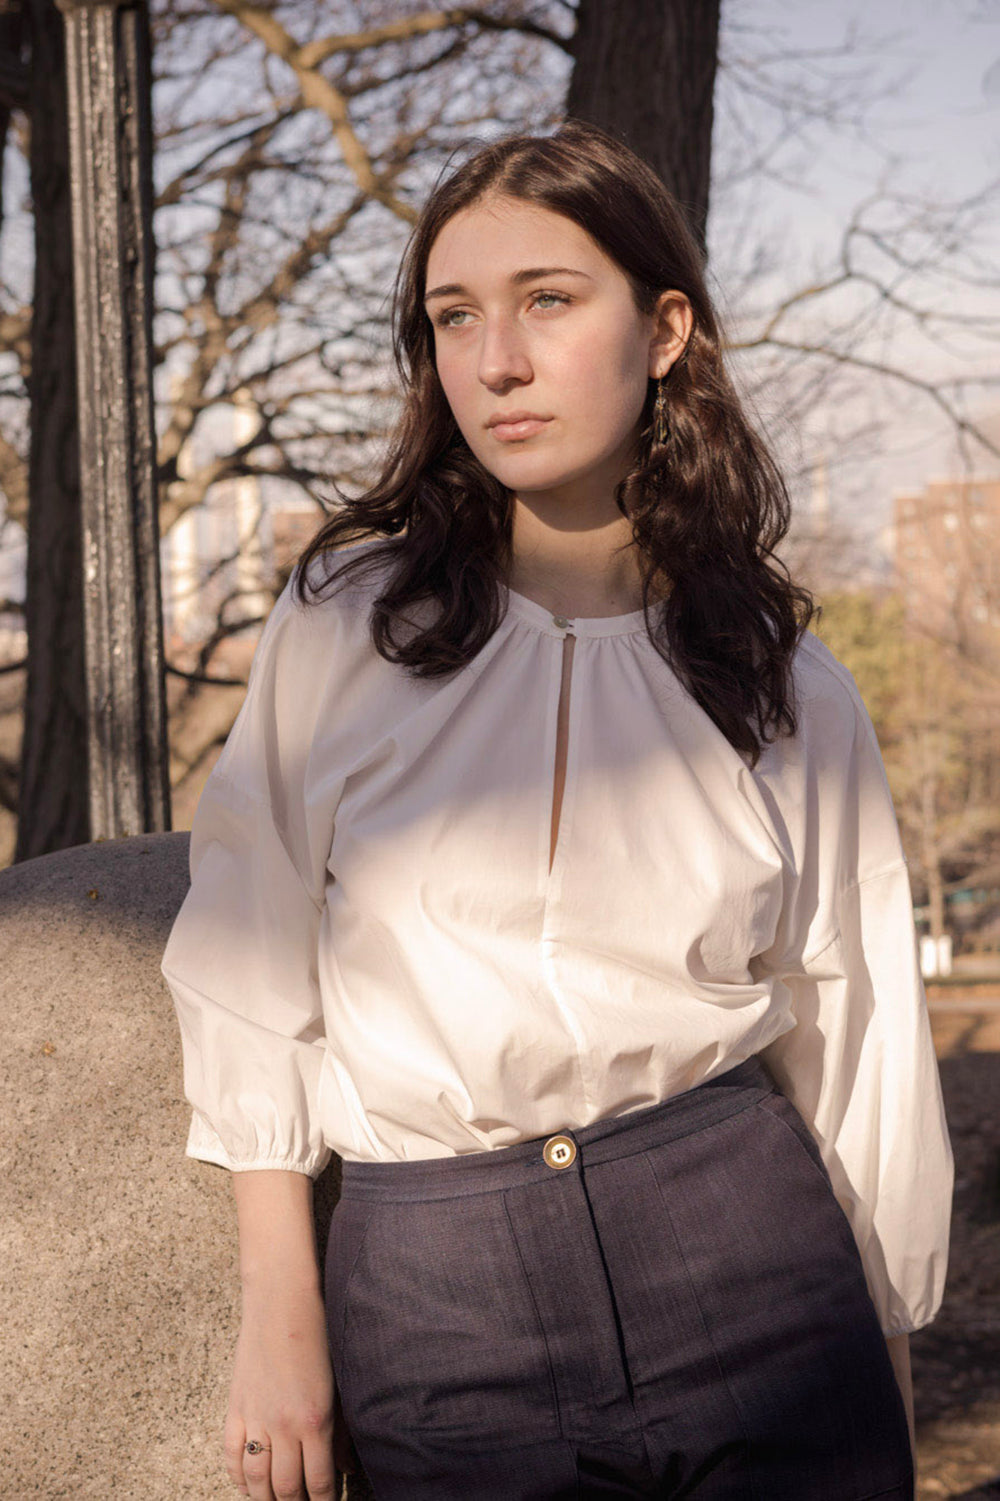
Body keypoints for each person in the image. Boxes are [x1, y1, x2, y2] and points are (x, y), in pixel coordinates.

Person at [161, 120, 954, 1501]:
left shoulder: (785, 685)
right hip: (438, 1294)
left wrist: (880, 1353)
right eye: (453, 317)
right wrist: (278, 1315)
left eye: (547, 300)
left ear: (665, 332)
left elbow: (858, 1029)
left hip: (755, 1263)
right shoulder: (346, 630)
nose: (497, 361)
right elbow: (245, 956)